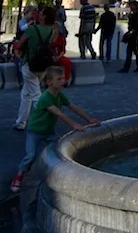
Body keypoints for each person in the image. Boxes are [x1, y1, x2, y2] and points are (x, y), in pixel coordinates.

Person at [10, 65, 100, 194]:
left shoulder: (59, 95)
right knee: (30, 155)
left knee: (59, 149)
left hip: (48, 131)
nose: (63, 81)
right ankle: (18, 177)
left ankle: (57, 175)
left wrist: (89, 119)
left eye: (63, 78)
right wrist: (73, 124)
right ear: (49, 82)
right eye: (59, 79)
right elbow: (59, 114)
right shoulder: (46, 97)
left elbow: (73, 107)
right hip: (35, 131)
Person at [13, 5, 60, 130]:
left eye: (41, 13)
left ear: (44, 16)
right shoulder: (52, 31)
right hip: (43, 66)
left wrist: (18, 52)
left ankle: (45, 121)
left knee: (35, 95)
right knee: (26, 93)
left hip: (29, 64)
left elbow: (20, 43)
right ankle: (21, 122)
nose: (38, 14)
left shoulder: (33, 29)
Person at [118, 1, 138, 73]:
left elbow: (135, 25)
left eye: (132, 5)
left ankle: (128, 68)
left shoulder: (136, 14)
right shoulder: (134, 14)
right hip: (134, 35)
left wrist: (131, 33)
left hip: (133, 35)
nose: (130, 7)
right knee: (134, 51)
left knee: (130, 52)